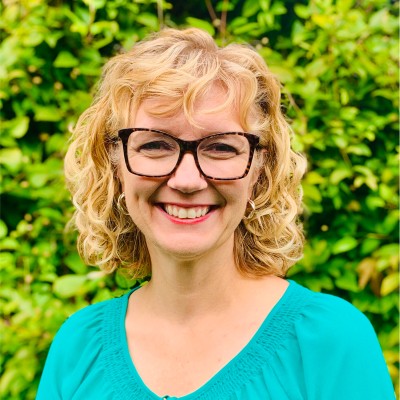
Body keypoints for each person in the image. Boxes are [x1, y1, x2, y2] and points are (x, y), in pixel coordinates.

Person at [36, 28, 394, 400]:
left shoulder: (329, 342)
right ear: (114, 165)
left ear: (260, 169)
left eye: (221, 148)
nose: (187, 180)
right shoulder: (78, 349)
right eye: (155, 144)